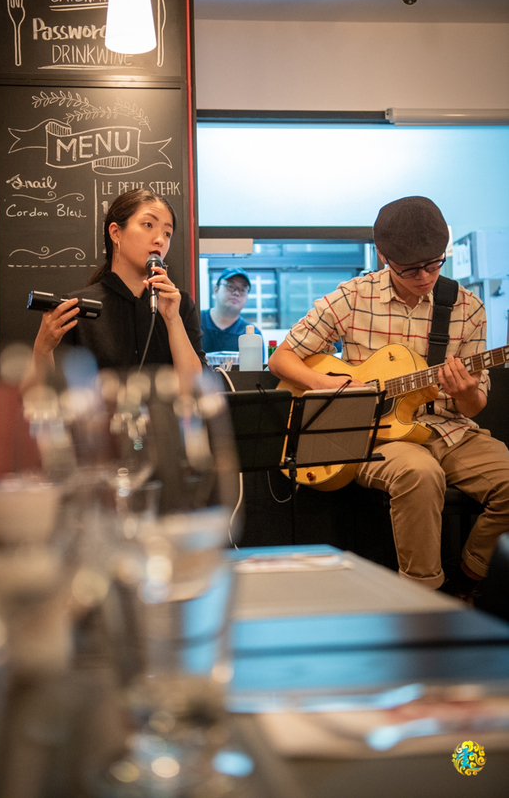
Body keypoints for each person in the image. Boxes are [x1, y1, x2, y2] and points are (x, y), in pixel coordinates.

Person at [268, 195, 509, 599]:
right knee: (420, 474)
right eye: (412, 269)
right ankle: (423, 598)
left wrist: (465, 392)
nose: (426, 277)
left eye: (435, 264)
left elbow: (475, 406)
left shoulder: (467, 308)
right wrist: (330, 385)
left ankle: (471, 579)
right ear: (383, 256)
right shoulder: (353, 297)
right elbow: (282, 359)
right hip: (375, 432)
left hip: (450, 428)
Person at [26, 189, 206, 382]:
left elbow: (196, 388)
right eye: (148, 224)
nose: (160, 239)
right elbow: (49, 395)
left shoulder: (179, 304)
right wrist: (42, 348)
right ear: (115, 232)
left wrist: (173, 320)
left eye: (167, 233)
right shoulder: (76, 307)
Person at [200, 268, 263, 354]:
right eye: (230, 286)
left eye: (242, 289)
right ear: (216, 290)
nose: (236, 293)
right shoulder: (195, 322)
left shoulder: (252, 334)